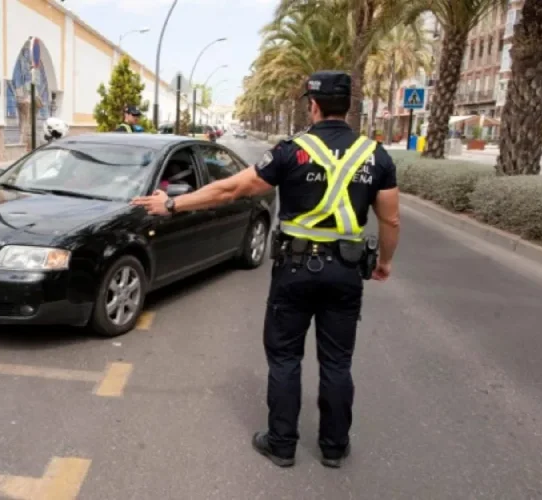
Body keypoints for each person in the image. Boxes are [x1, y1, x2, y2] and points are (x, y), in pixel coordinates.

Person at [130, 70, 400, 469]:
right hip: (345, 271)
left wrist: (172, 204)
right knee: (338, 362)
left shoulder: (290, 152)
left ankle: (282, 444)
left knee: (286, 358)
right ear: (349, 107)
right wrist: (385, 262)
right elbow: (391, 221)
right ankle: (332, 446)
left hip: (295, 270)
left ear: (313, 105)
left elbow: (230, 189)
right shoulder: (376, 156)